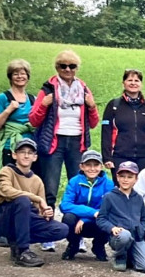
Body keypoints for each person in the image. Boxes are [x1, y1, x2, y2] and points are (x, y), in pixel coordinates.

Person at [29, 50, 100, 224]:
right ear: (57, 67)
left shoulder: (83, 88)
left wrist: (91, 106)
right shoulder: (48, 89)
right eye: (63, 66)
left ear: (77, 68)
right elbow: (33, 119)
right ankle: (47, 226)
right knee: (50, 187)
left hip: (77, 142)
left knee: (79, 187)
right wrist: (44, 105)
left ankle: (78, 229)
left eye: (72, 66)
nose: (67, 70)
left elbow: (93, 123)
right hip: (54, 142)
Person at [0, 139, 68, 267]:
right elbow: (6, 190)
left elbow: (39, 209)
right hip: (5, 218)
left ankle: (17, 242)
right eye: (22, 152)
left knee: (62, 229)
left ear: (35, 157)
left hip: (26, 219)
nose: (26, 155)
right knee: (23, 201)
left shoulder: (37, 180)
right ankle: (23, 251)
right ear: (14, 155)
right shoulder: (7, 171)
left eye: (30, 153)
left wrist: (45, 213)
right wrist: (36, 198)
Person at [101, 68, 145, 181]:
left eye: (137, 80)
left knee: (144, 190)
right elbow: (106, 132)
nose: (133, 83)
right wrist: (107, 157)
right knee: (122, 190)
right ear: (123, 83)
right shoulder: (113, 106)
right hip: (120, 156)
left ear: (141, 84)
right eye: (130, 80)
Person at [97, 161, 145, 273]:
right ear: (117, 177)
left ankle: (131, 257)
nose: (125, 180)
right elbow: (101, 218)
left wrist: (142, 230)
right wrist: (112, 228)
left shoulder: (138, 198)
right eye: (122, 176)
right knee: (125, 235)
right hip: (119, 236)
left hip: (136, 237)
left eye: (129, 177)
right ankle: (120, 256)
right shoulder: (109, 197)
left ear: (136, 179)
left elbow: (144, 219)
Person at [0, 60, 36, 196]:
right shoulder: (3, 98)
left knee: (27, 183)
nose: (20, 76)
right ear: (10, 77)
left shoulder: (33, 99)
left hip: (30, 147)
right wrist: (8, 110)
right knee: (8, 183)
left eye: (23, 73)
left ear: (28, 77)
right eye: (16, 74)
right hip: (9, 147)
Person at [59, 150, 114, 261]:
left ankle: (98, 246)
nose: (92, 169)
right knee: (68, 218)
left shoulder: (108, 184)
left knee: (110, 218)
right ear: (81, 166)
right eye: (88, 165)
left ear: (101, 166)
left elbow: (108, 208)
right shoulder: (74, 182)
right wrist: (91, 213)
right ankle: (74, 244)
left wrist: (84, 219)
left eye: (96, 165)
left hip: (97, 221)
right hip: (79, 222)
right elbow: (65, 205)